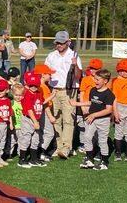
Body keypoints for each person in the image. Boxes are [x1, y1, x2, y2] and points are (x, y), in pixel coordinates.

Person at [44, 31, 82, 159]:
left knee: (68, 120)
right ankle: (58, 146)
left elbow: (78, 76)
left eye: (61, 42)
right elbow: (45, 73)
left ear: (68, 42)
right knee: (56, 120)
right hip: (54, 90)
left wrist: (75, 65)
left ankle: (66, 148)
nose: (59, 45)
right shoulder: (51, 56)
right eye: (57, 42)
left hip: (69, 91)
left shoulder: (74, 56)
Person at [71, 69, 115, 170]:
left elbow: (109, 110)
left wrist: (94, 115)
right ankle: (90, 160)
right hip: (91, 118)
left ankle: (104, 162)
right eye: (95, 79)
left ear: (105, 81)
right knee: (87, 137)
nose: (95, 81)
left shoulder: (109, 94)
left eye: (98, 79)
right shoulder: (93, 90)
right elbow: (92, 102)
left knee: (102, 141)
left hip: (102, 120)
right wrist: (77, 104)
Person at [77, 58, 102, 153]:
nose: (92, 71)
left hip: (98, 106)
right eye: (91, 68)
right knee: (86, 126)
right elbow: (82, 93)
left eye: (95, 69)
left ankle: (96, 144)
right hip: (87, 106)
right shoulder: (86, 79)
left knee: (97, 126)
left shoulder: (101, 80)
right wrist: (83, 107)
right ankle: (84, 144)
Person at [34, 64, 56, 162]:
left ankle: (39, 152)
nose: (50, 76)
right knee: (50, 133)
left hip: (40, 112)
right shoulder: (43, 87)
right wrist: (50, 116)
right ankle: (40, 152)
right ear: (43, 75)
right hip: (44, 112)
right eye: (49, 74)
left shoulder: (39, 86)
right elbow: (44, 104)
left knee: (41, 133)